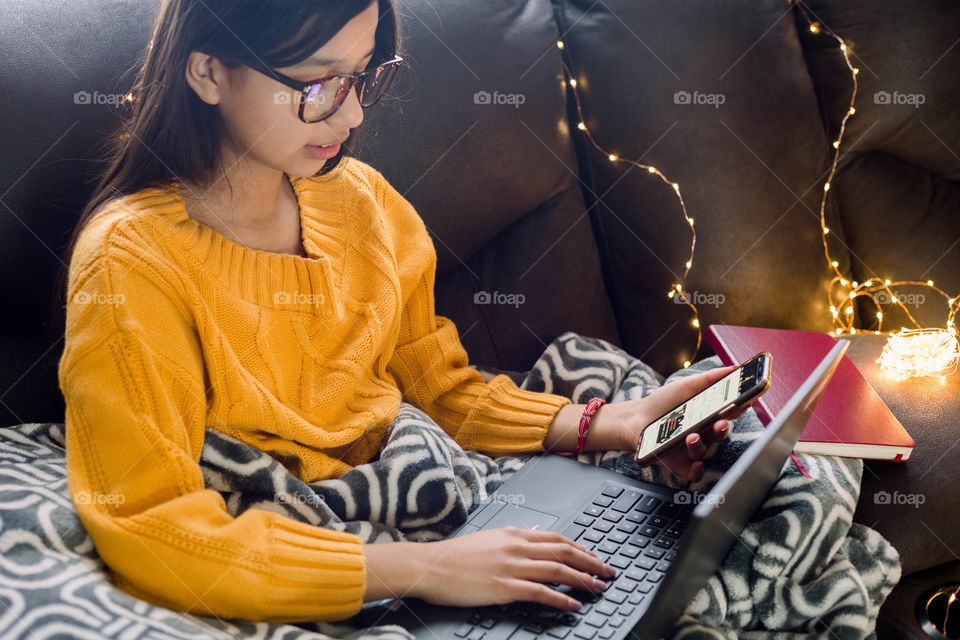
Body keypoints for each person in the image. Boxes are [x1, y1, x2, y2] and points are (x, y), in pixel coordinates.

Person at [57, 0, 734, 624]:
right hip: (314, 556)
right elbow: (149, 521)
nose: (350, 118)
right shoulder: (129, 264)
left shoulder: (363, 204)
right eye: (318, 85)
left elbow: (439, 389)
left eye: (362, 77)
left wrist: (615, 423)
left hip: (435, 503)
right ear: (207, 72)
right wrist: (427, 570)